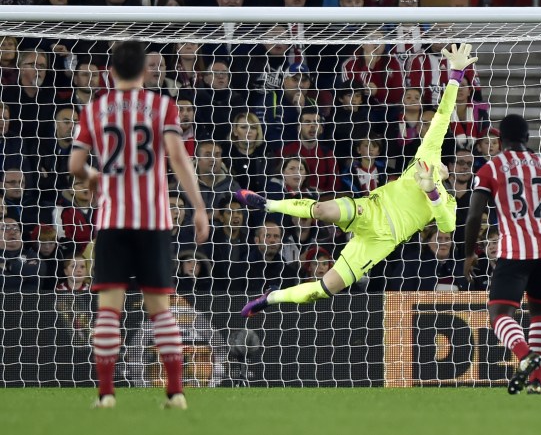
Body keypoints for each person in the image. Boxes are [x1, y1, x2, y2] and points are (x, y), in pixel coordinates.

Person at [237, 44, 476, 314]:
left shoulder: (447, 200)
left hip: (381, 241)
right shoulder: (427, 156)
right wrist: (455, 74)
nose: (450, 168)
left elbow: (446, 222)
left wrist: (431, 190)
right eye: (453, 163)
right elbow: (442, 117)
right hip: (370, 208)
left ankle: (271, 298)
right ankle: (267, 203)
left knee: (324, 289)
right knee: (321, 209)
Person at [68, 40, 210, 410]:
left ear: (109, 71)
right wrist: (198, 207)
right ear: (145, 71)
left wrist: (93, 175)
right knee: (161, 310)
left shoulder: (95, 108)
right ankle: (176, 392)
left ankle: (106, 395)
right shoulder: (162, 106)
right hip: (154, 219)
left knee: (109, 309)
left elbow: (74, 166)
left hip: (113, 221)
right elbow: (178, 158)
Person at [461, 113, 541, 395]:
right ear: (527, 138)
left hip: (514, 250)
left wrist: (468, 253)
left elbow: (475, 214)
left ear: (501, 140)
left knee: (499, 314)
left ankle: (526, 356)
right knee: (540, 311)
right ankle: (536, 382)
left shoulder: (492, 167)